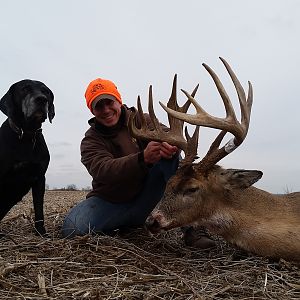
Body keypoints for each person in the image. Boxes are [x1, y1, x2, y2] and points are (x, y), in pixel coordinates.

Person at [61, 78, 215, 248]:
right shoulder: (91, 140)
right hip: (113, 201)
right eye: (98, 106)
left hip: (149, 198)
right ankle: (126, 224)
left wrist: (171, 147)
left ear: (118, 101)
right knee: (73, 227)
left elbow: (169, 135)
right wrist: (142, 159)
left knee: (170, 160)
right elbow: (103, 170)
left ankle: (194, 229)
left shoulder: (143, 120)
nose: (106, 110)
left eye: (109, 102)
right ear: (92, 110)